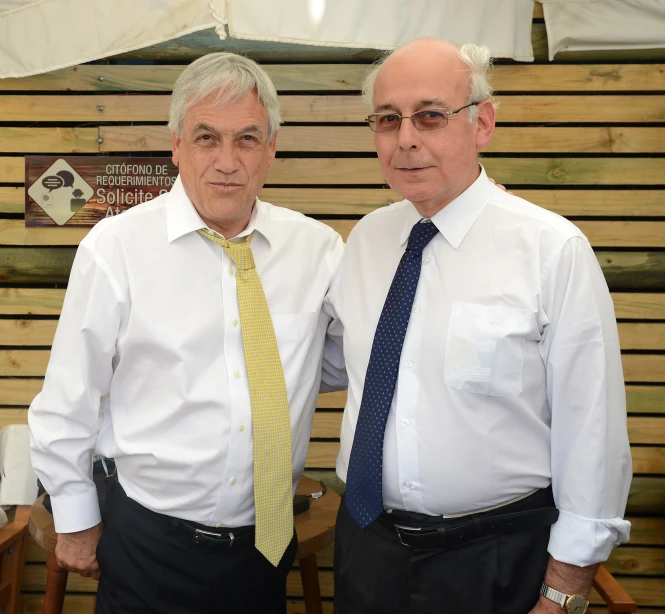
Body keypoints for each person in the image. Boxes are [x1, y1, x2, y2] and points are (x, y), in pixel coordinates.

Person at [28, 52, 346, 614]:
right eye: (207, 137)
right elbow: (68, 398)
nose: (227, 161)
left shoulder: (318, 251)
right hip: (148, 542)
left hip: (265, 546)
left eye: (247, 139)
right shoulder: (117, 248)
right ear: (176, 145)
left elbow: (338, 361)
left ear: (271, 148)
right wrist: (75, 517)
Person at [327, 38, 632, 614]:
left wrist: (565, 589)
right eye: (388, 120)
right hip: (368, 549)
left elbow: (593, 430)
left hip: (495, 560)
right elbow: (330, 361)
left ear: (482, 123)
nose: (407, 138)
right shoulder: (365, 241)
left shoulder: (550, 249)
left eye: (431, 116)